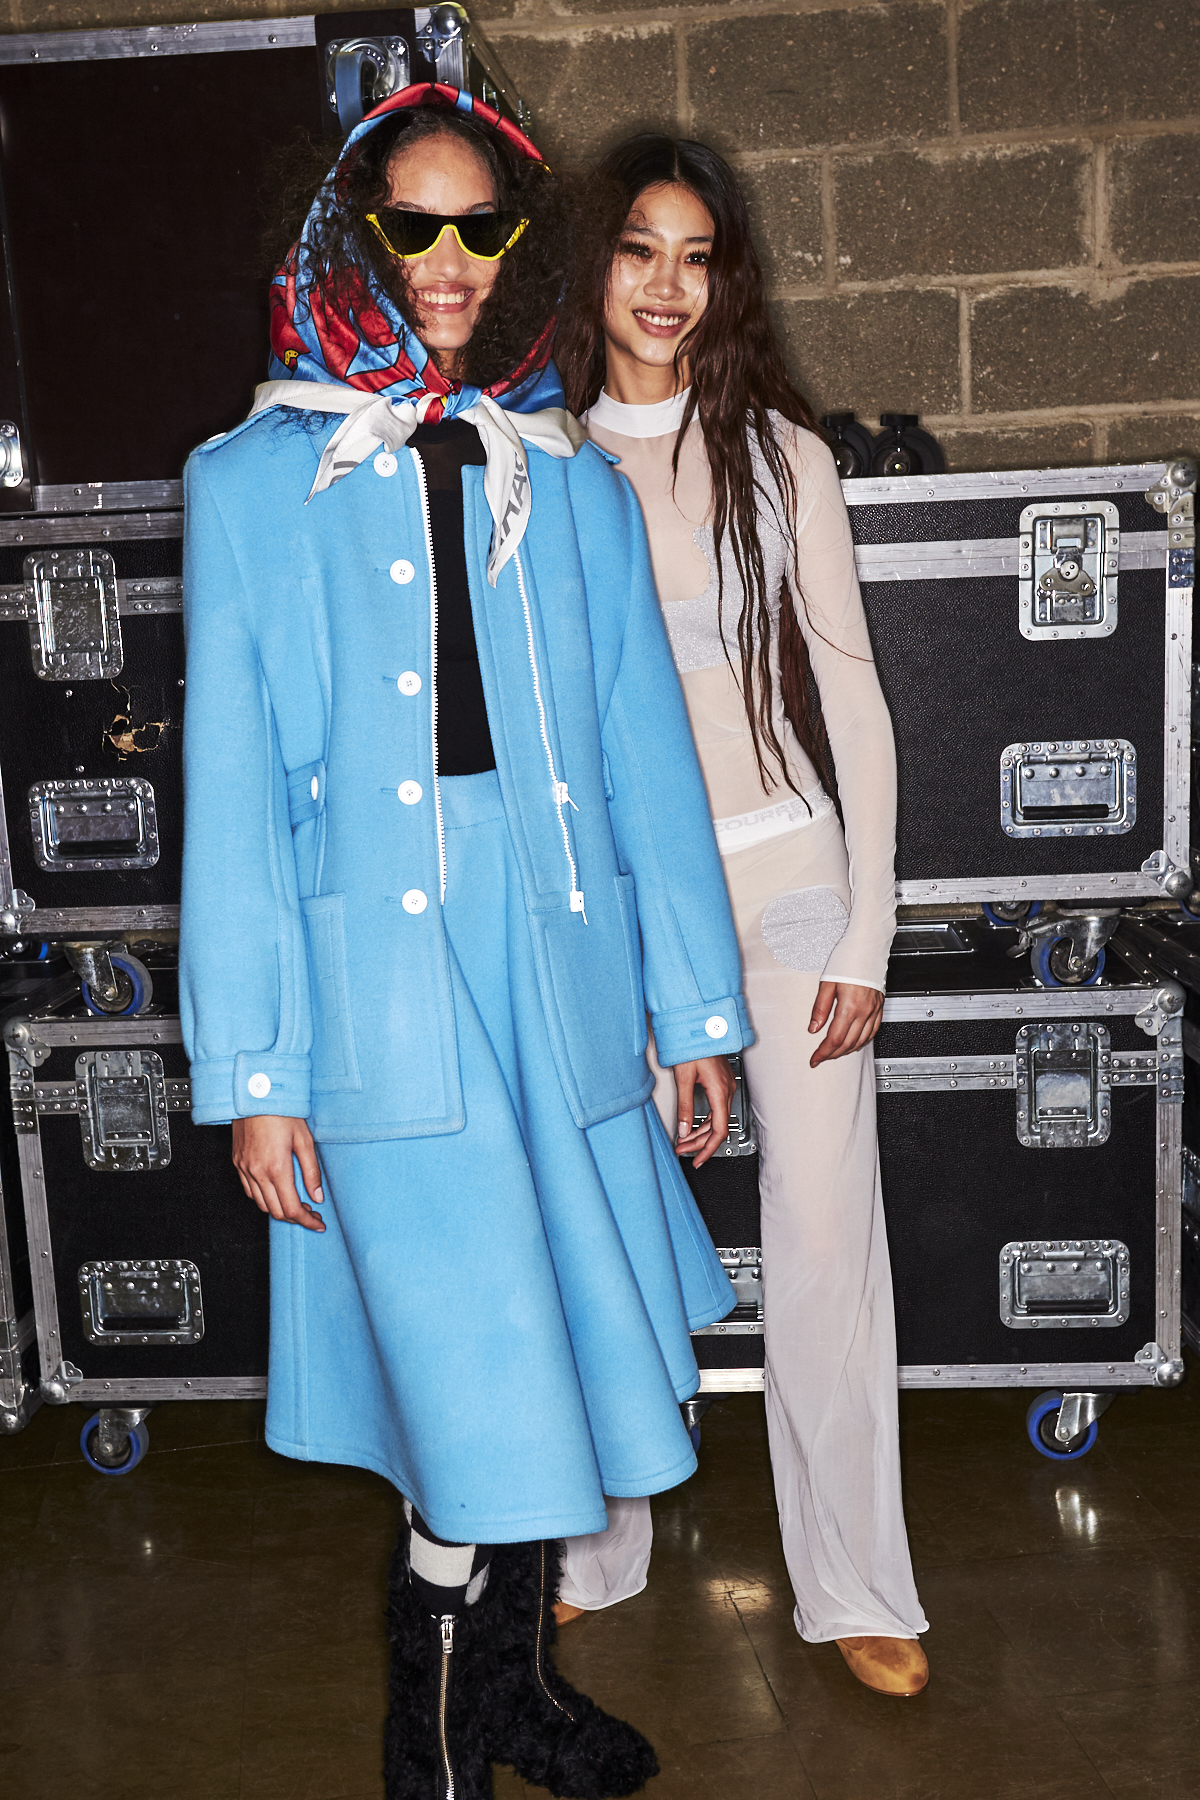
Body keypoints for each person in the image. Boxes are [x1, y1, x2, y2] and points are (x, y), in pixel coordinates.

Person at [180, 87, 752, 1798]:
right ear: (351, 241)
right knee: (466, 1386)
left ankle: (510, 1698)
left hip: (557, 979)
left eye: (478, 227)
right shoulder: (253, 480)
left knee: (556, 1364)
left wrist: (693, 1010)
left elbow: (644, 754)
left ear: (520, 250)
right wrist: (254, 1071)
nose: (444, 262)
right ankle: (428, 1738)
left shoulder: (567, 476)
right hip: (380, 1005)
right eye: (408, 226)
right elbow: (230, 801)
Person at [554, 135, 930, 1698]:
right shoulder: (539, 461)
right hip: (627, 913)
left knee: (828, 1245)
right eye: (640, 248)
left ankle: (854, 1586)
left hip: (788, 890)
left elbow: (859, 705)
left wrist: (869, 933)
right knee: (618, 1231)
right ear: (592, 268)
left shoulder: (785, 457)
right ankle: (599, 1548)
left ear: (728, 280)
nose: (666, 283)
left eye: (697, 254)